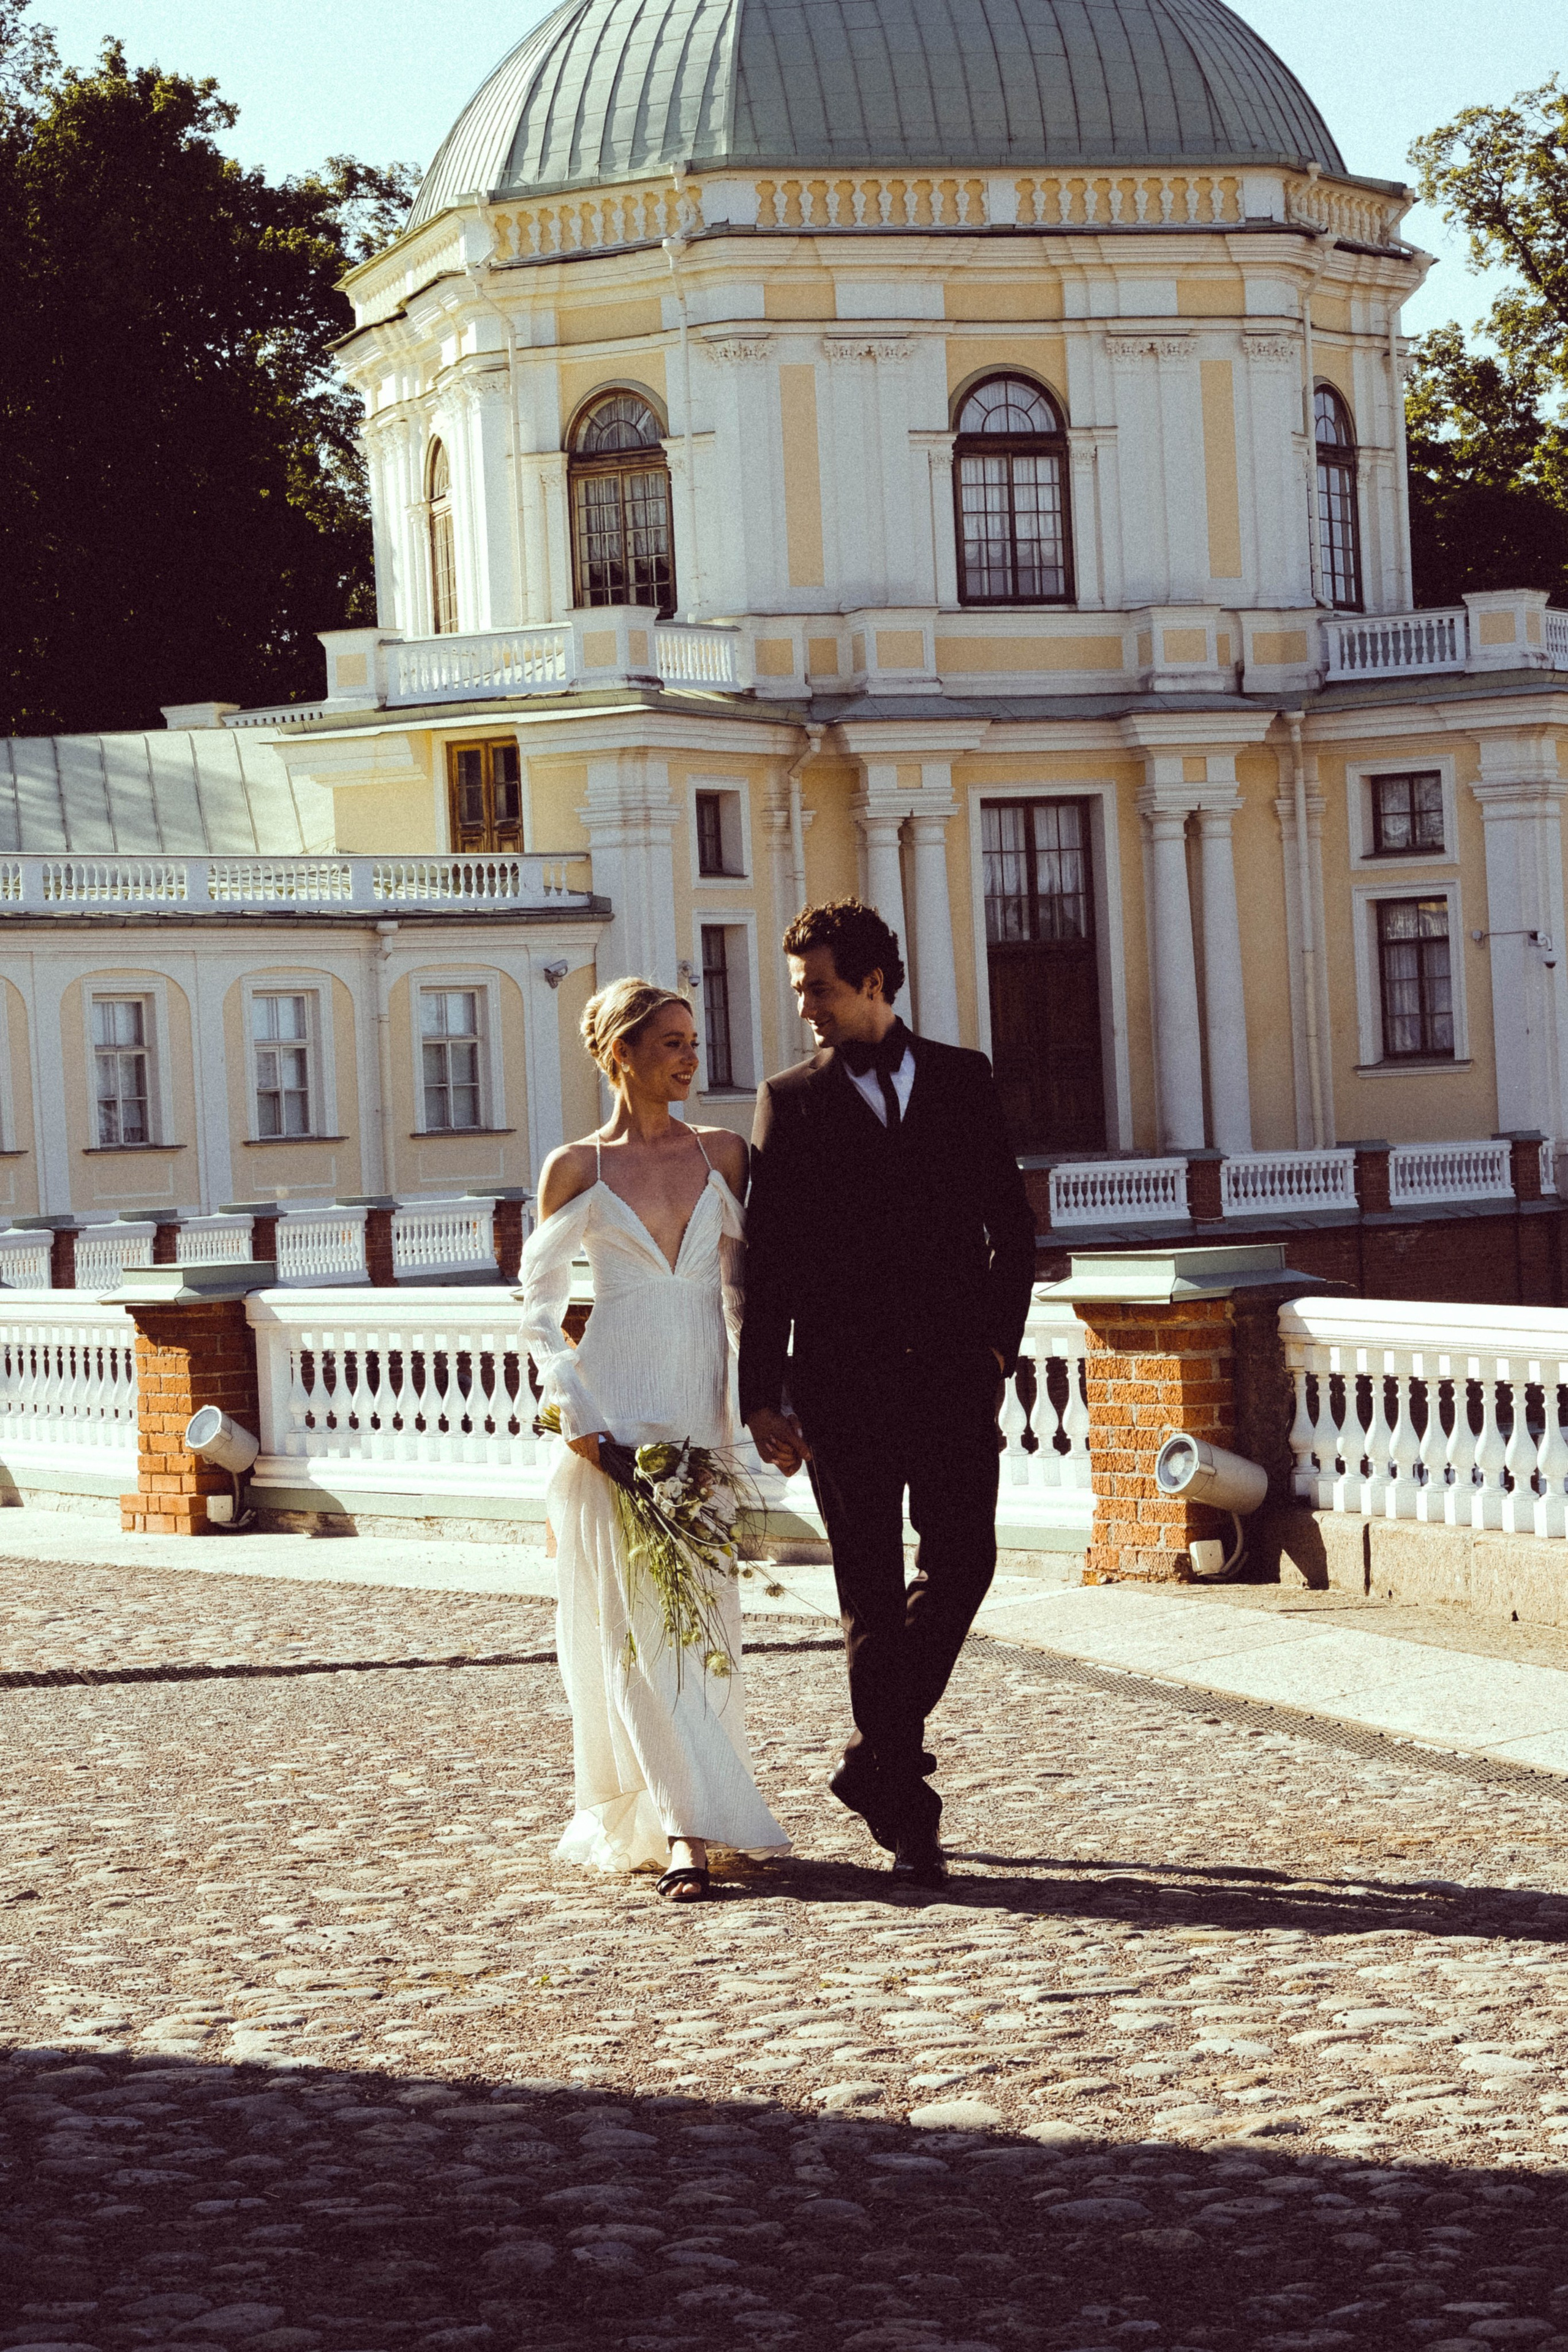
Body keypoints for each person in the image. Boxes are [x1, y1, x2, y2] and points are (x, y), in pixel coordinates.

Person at [739, 899, 1036, 1887]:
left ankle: (872, 1759)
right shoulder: (792, 1098)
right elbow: (767, 1266)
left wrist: (997, 1346)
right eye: (798, 992)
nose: (806, 1009)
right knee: (867, 1597)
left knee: (967, 1562)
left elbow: (1012, 1229)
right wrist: (762, 1394)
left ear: (872, 982)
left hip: (955, 1378)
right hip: (840, 1388)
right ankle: (908, 1808)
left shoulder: (965, 1078)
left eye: (817, 988)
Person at [519, 977, 788, 1902]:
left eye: (692, 1041)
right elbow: (539, 1316)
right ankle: (686, 1833)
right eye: (670, 1042)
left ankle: (699, 1806)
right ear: (620, 1054)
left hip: (699, 1418)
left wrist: (762, 1404)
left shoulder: (727, 1156)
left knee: (703, 1626)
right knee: (631, 1632)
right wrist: (585, 1428)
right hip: (616, 1420)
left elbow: (752, 1296)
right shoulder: (578, 1169)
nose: (690, 1056)